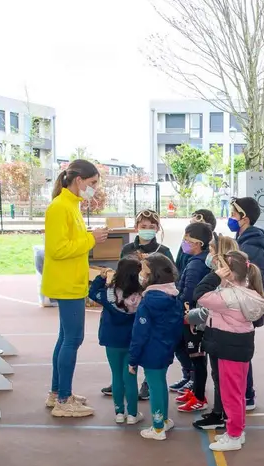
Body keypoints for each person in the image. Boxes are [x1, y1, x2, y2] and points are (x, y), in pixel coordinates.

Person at [43, 159, 108, 418]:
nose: (93, 188)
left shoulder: (70, 206)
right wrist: (91, 239)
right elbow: (58, 249)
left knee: (65, 338)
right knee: (73, 339)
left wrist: (89, 236)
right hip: (66, 283)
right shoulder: (60, 207)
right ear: (78, 179)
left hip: (71, 281)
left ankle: (58, 392)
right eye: (92, 183)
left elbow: (71, 241)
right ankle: (63, 399)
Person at [197, 251, 264, 452]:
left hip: (228, 347)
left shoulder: (227, 297)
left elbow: (200, 294)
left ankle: (234, 435)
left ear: (228, 272)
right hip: (238, 346)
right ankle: (236, 429)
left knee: (231, 394)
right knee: (236, 393)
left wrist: (215, 276)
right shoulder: (246, 292)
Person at [101, 209, 175, 401]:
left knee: (148, 341)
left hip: (150, 304)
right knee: (128, 343)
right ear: (136, 228)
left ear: (157, 228)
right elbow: (121, 274)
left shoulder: (163, 251)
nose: (147, 230)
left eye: (152, 227)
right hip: (129, 303)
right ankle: (123, 379)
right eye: (143, 227)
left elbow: (172, 277)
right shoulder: (127, 249)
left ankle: (147, 382)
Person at [191, 236, 245, 431]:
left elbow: (203, 297)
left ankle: (224, 417)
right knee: (218, 376)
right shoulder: (228, 280)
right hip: (217, 335)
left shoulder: (226, 283)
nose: (209, 255)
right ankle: (220, 411)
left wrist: (193, 316)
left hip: (223, 337)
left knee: (224, 379)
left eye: (212, 251)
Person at [128, 253, 182, 440]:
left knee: (154, 385)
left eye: (143, 271)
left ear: (153, 275)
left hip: (152, 351)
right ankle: (165, 420)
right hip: (166, 348)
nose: (140, 274)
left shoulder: (148, 302)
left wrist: (133, 358)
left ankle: (158, 427)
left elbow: (139, 333)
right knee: (160, 384)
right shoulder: (173, 296)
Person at [228, 196, 264, 411]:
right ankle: (244, 392)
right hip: (240, 304)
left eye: (233, 215)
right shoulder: (244, 240)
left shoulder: (252, 245)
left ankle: (247, 394)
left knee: (241, 351)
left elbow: (245, 279)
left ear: (244, 218)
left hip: (245, 306)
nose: (230, 218)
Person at [89, 259, 144, 425]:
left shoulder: (108, 294)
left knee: (116, 376)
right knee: (131, 377)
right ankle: (133, 414)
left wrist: (100, 277)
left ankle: (119, 412)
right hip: (132, 341)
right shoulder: (142, 295)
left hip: (112, 340)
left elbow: (92, 293)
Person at [175, 222, 214, 413]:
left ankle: (199, 397)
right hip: (193, 316)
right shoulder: (199, 260)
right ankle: (196, 391)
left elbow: (188, 293)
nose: (184, 243)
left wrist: (183, 311)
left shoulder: (197, 264)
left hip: (192, 318)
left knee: (197, 358)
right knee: (195, 357)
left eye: (187, 239)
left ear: (198, 243)